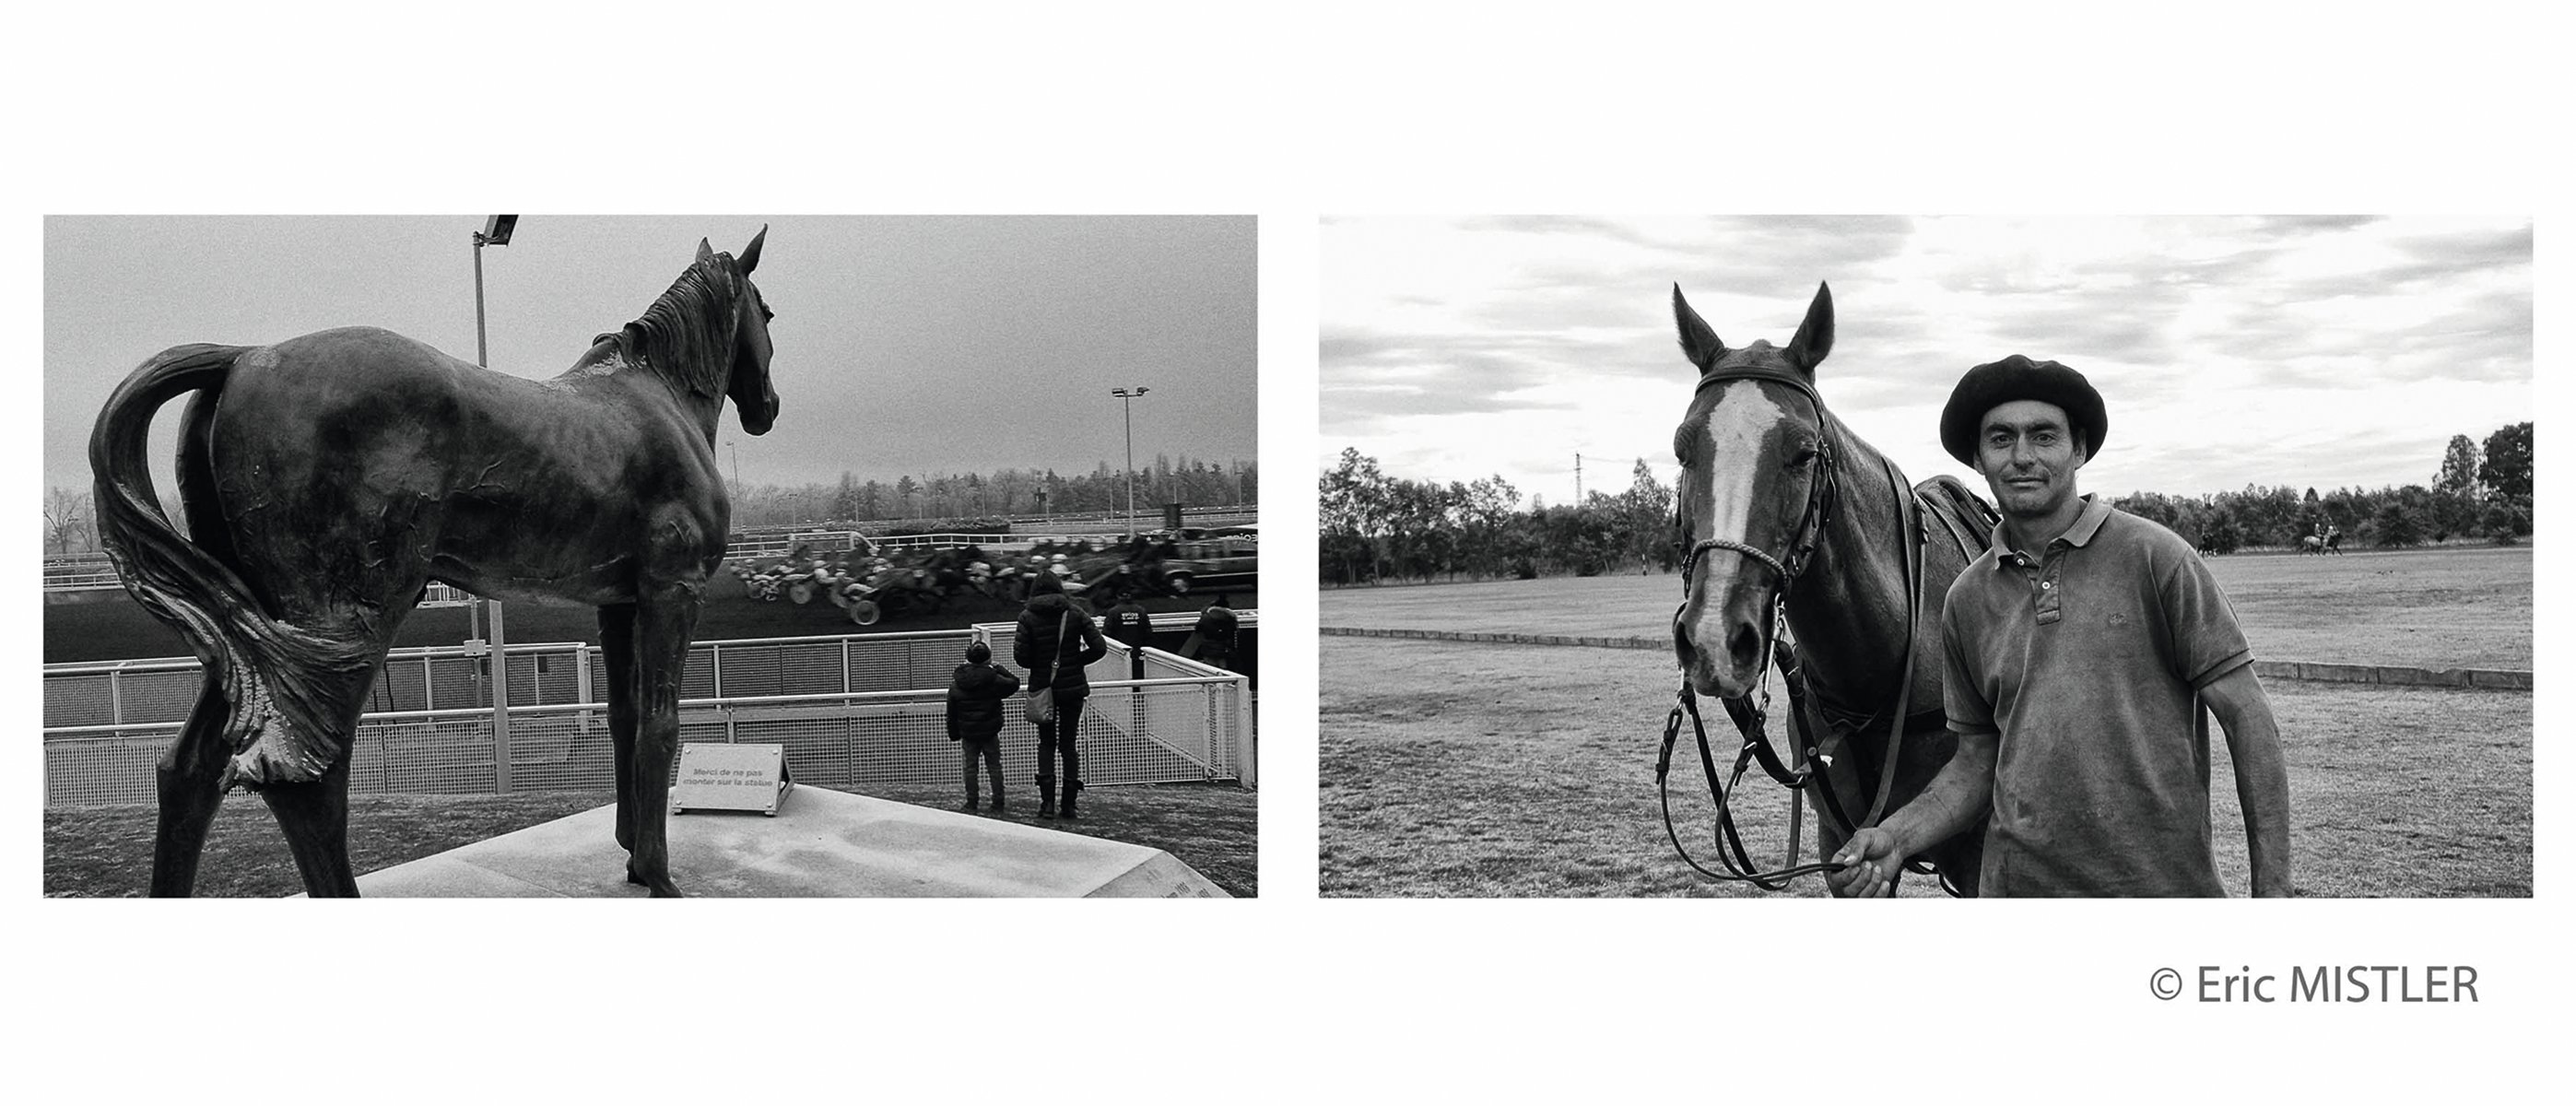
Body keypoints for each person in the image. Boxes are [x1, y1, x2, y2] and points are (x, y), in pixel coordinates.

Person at [1829, 355, 2292, 898]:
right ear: (1978, 458)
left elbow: (2249, 722)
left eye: (2043, 436)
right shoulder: (1967, 599)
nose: (2022, 456)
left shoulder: (2158, 559)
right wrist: (1897, 838)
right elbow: (1976, 766)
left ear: (2079, 449)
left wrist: (2274, 893)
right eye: (2000, 439)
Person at [1016, 571, 1108, 818]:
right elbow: (1099, 648)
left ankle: (1046, 804)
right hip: (1072, 688)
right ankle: (1069, 804)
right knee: (1068, 744)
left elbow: (1021, 659)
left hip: (1043, 688)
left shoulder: (1027, 616)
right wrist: (1075, 662)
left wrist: (1042, 663)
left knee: (1046, 743)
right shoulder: (1075, 612)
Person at [945, 639, 1019, 813]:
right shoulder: (994, 680)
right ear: (988, 658)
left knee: (970, 768)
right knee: (994, 766)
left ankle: (971, 802)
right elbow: (1014, 683)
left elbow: (952, 712)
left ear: (967, 658)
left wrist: (954, 733)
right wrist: (997, 667)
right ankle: (998, 802)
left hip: (968, 732)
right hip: (990, 731)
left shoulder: (957, 683)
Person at [1104, 594, 1155, 680]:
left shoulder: (1113, 612)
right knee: (1138, 676)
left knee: (1121, 676)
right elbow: (1148, 632)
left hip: (1119, 652)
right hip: (1138, 651)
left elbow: (1107, 633)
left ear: (1118, 597)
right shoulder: (1141, 611)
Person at [1189, 594, 1239, 671]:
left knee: (1210, 668)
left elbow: (1198, 629)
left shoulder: (1206, 617)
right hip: (1224, 649)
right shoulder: (1230, 618)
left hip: (1208, 647)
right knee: (1224, 668)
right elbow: (1234, 634)